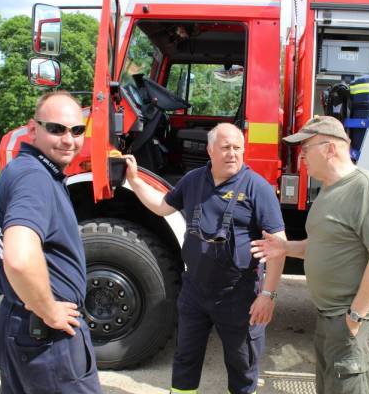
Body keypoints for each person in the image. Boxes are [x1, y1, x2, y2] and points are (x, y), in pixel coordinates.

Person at [123, 122, 287, 394]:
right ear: (210, 150)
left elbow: (278, 247)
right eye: (225, 148)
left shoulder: (258, 188)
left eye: (237, 148)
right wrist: (135, 181)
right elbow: (162, 206)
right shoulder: (193, 180)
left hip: (239, 294)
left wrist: (267, 295)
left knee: (242, 365)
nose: (232, 153)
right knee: (185, 359)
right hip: (195, 291)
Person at [250, 116, 369, 394]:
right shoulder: (328, 192)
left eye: (306, 148)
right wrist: (286, 248)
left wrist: (354, 318)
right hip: (329, 317)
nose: (301, 156)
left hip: (351, 319)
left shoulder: (365, 187)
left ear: (330, 148)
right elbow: (321, 245)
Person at [0, 91, 103, 394]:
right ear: (33, 129)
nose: (68, 140)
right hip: (46, 341)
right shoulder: (36, 177)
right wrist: (47, 308)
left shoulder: (19, 169)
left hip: (17, 324)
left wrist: (13, 292)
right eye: (56, 129)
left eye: (76, 130)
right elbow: (18, 257)